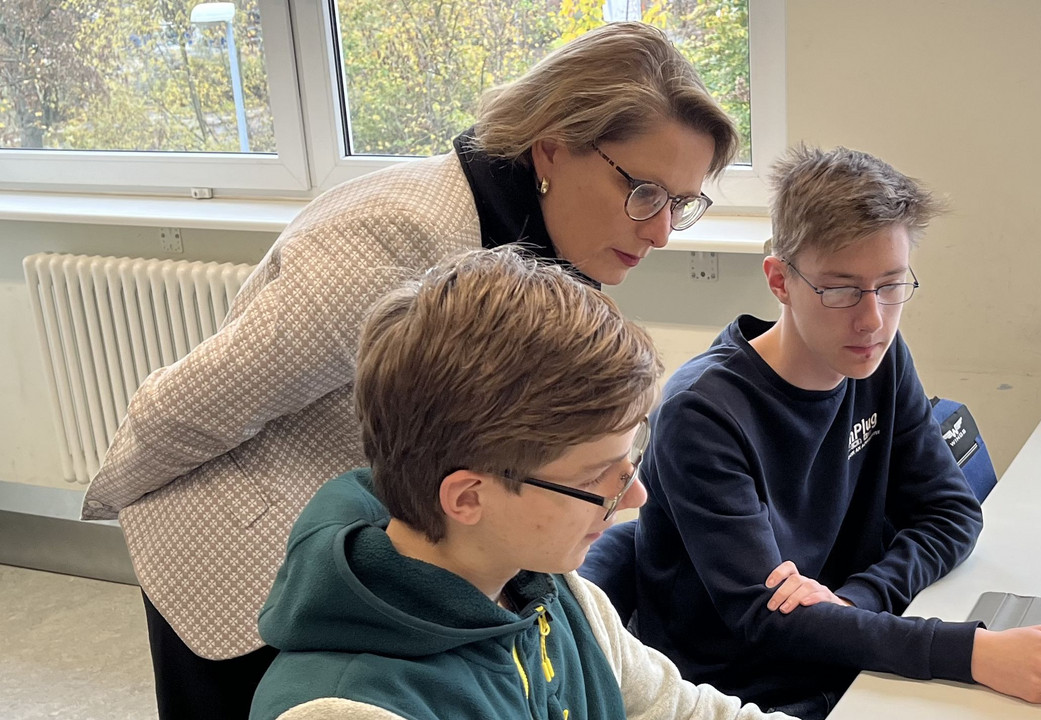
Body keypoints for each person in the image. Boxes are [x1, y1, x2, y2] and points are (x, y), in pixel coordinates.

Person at [79, 22, 737, 720]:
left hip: (397, 525)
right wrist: (106, 498)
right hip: (241, 543)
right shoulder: (399, 236)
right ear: (552, 147)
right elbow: (201, 401)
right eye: (644, 192)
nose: (663, 230)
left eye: (682, 204)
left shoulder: (550, 240)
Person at [620, 145, 1041, 718]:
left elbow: (952, 512)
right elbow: (765, 622)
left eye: (891, 286)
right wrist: (972, 654)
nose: (872, 320)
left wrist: (857, 597)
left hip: (854, 654)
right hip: (752, 693)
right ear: (779, 279)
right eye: (841, 290)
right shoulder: (704, 414)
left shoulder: (879, 358)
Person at [248, 247, 794, 720]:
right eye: (593, 478)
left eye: (629, 461)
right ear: (468, 497)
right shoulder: (347, 706)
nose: (634, 496)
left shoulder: (558, 593)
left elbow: (684, 710)